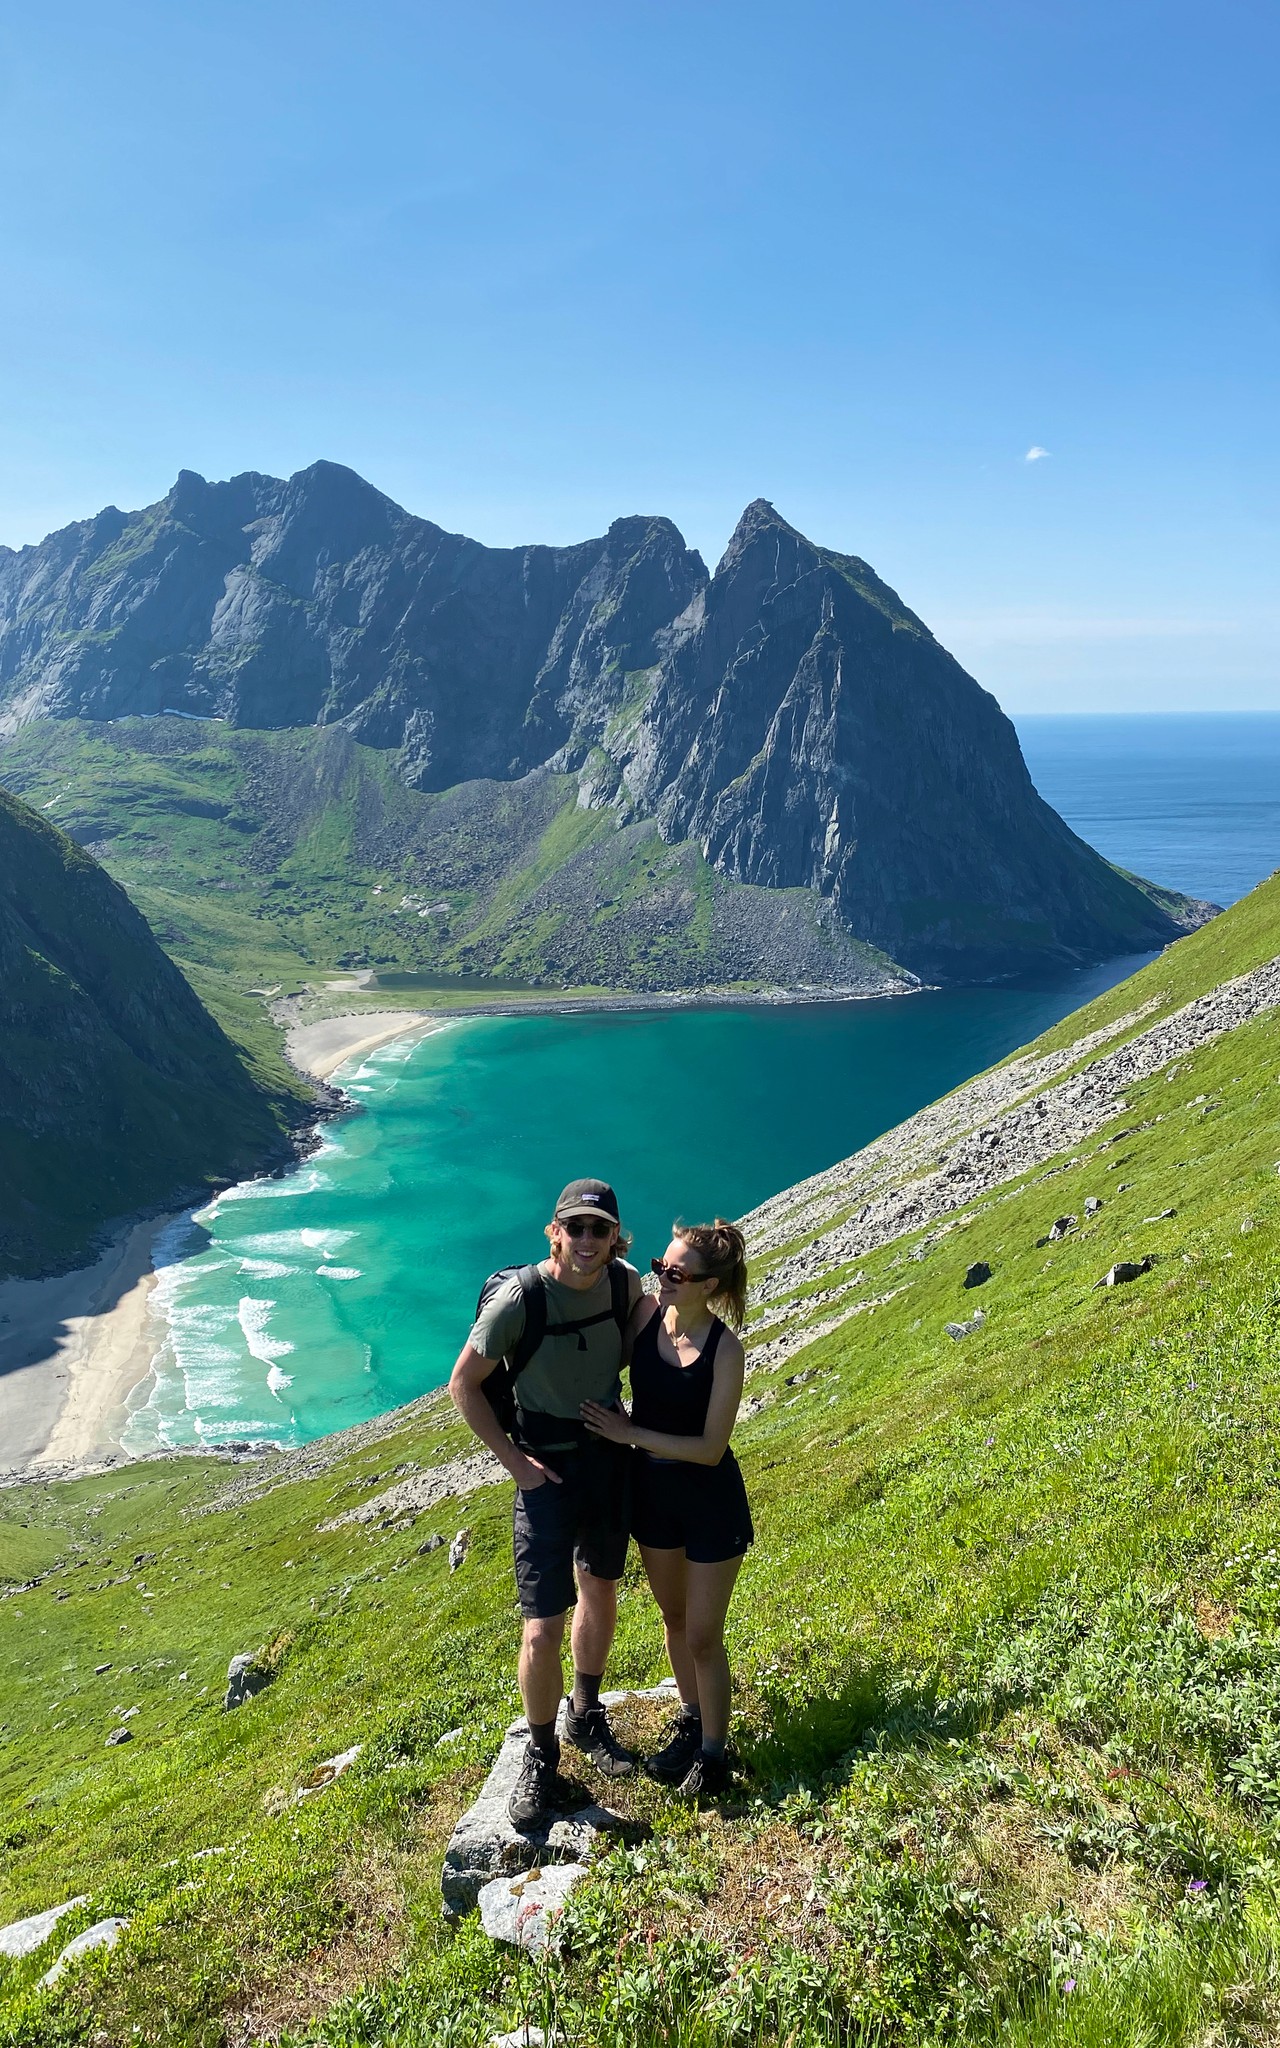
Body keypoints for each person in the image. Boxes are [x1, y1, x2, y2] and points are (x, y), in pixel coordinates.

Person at [449, 1178, 644, 1831]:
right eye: (576, 1228)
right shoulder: (518, 1301)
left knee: (602, 1589)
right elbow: (463, 1385)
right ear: (554, 1232)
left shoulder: (626, 1285)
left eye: (601, 1230)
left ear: (615, 1237)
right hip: (545, 1470)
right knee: (541, 1626)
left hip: (608, 1460)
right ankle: (540, 1752)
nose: (588, 1241)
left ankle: (586, 1713)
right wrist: (515, 1465)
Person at [582, 1218, 752, 1800]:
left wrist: (632, 1435)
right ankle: (690, 1719)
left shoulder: (727, 1351)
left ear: (709, 1285)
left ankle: (712, 1755)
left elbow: (710, 1450)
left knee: (704, 1635)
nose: (662, 1278)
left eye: (675, 1273)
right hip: (653, 1501)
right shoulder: (648, 1314)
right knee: (674, 1621)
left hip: (709, 1503)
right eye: (660, 1266)